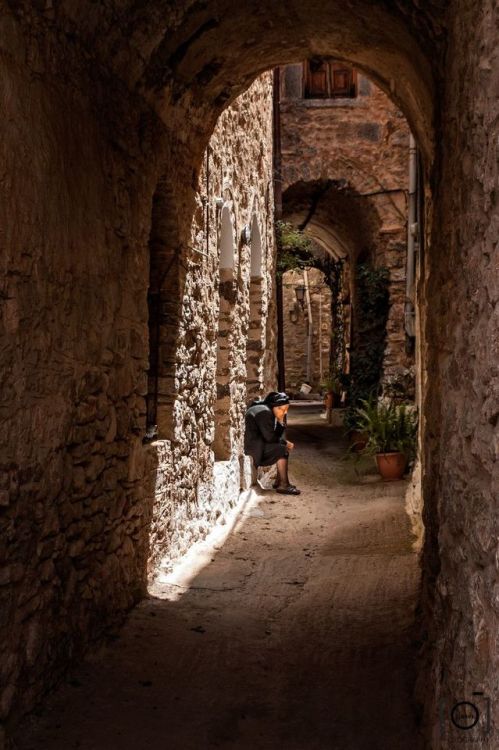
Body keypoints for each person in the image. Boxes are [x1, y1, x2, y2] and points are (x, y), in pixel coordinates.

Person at [244, 391, 301, 495]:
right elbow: (270, 438)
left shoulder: (265, 409)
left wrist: (280, 421)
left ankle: (279, 482)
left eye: (286, 410)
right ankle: (284, 485)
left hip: (257, 445)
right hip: (254, 449)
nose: (285, 413)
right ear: (276, 406)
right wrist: (285, 443)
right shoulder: (264, 412)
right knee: (282, 449)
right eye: (283, 410)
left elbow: (273, 436)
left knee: (282, 446)